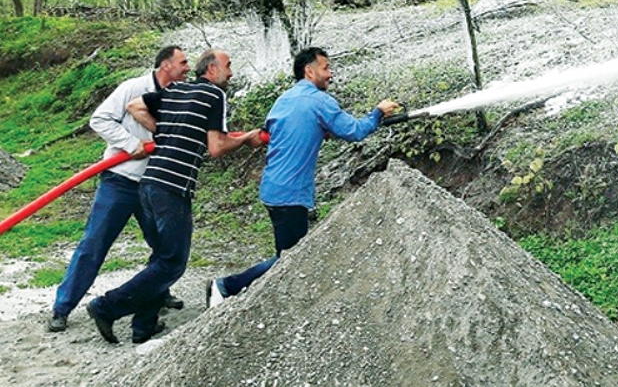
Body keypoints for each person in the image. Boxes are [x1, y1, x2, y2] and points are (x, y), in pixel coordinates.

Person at [85, 48, 262, 344]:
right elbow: (217, 147)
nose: (231, 72)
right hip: (172, 187)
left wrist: (164, 133)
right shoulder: (215, 95)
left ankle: (143, 326)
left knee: (161, 257)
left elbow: (135, 106)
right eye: (227, 66)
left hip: (149, 183)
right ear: (211, 70)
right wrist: (247, 139)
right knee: (172, 262)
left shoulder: (176, 88)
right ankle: (106, 306)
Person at [205, 46, 398, 306]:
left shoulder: (284, 99)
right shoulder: (319, 101)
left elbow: (280, 129)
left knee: (290, 255)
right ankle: (227, 286)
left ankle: (266, 296)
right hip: (290, 193)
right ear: (309, 71)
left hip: (273, 187)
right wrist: (378, 113)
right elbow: (353, 130)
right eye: (326, 68)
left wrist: (319, 130)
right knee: (291, 259)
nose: (330, 74)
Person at [47, 46, 190, 334]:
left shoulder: (179, 94)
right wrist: (128, 144)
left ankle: (157, 293)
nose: (188, 67)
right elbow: (99, 119)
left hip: (155, 184)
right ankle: (62, 308)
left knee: (163, 246)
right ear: (165, 65)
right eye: (183, 62)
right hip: (120, 180)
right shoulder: (133, 87)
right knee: (94, 244)